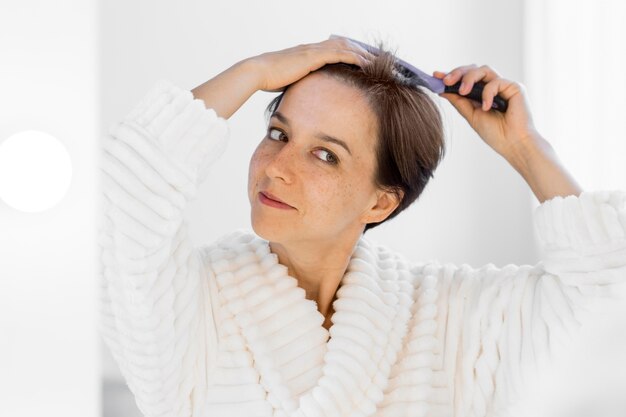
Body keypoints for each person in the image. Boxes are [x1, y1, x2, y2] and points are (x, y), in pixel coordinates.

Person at [98, 36, 626, 417]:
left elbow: (607, 305)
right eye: (279, 133)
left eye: (325, 155)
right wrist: (256, 69)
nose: (277, 166)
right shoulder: (193, 306)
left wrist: (527, 148)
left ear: (381, 202)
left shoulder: (446, 318)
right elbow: (127, 194)